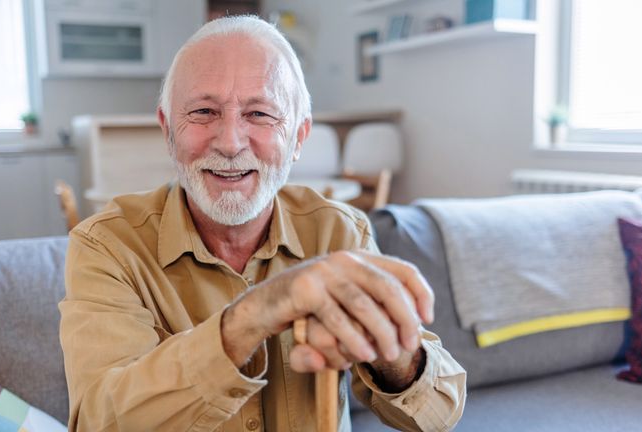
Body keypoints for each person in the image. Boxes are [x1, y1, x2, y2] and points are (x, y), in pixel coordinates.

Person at [59, 15, 466, 432]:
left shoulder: (341, 233)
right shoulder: (106, 245)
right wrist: (254, 315)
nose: (231, 142)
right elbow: (98, 422)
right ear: (168, 131)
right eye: (203, 111)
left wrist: (390, 351)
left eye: (259, 113)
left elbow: (439, 414)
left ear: (298, 139)